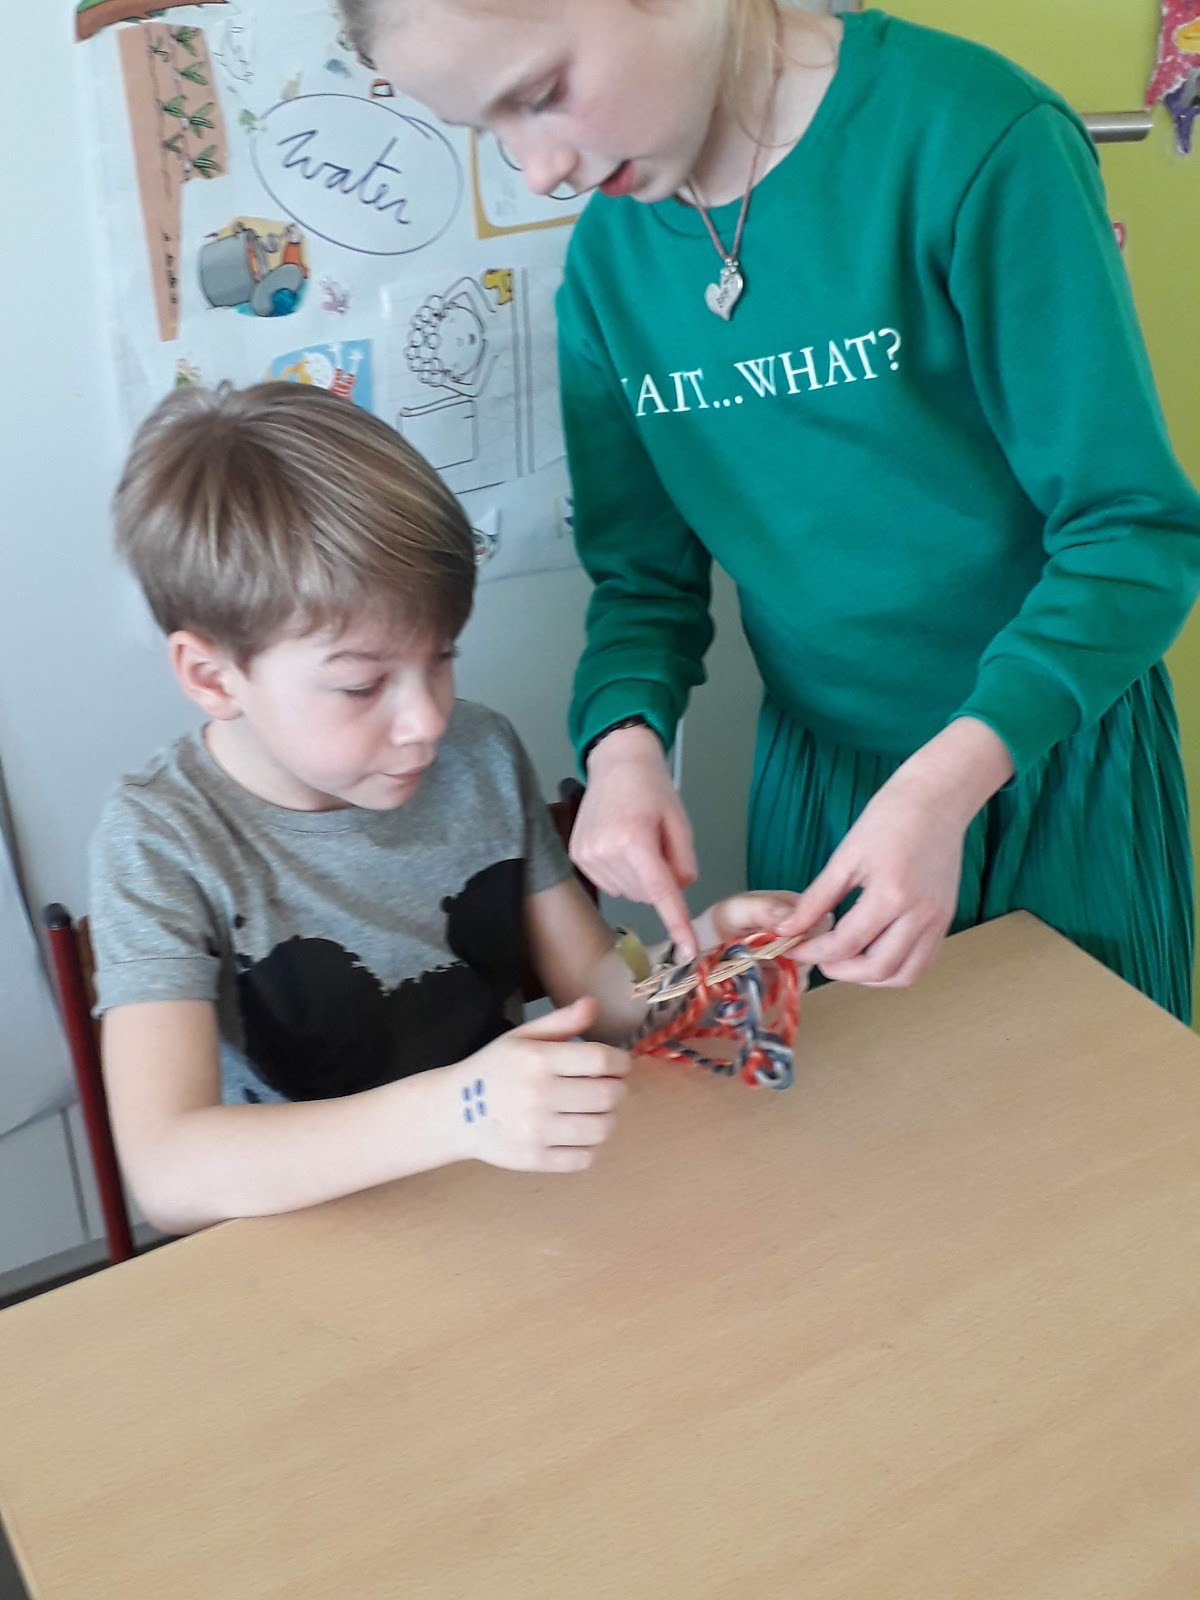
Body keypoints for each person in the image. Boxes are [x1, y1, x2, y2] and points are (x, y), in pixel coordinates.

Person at [342, 0, 1200, 1020]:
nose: (537, 168)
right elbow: (643, 580)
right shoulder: (611, 267)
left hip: (1050, 758)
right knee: (865, 1106)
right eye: (488, 129)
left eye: (541, 95)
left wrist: (940, 790)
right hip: (822, 777)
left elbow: (1132, 532)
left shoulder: (974, 138)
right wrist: (623, 745)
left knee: (1097, 1099)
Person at [90, 381, 801, 1236]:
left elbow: (600, 994)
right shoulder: (161, 839)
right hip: (315, 1245)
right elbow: (169, 1171)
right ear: (212, 676)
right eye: (363, 685)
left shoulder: (478, 753)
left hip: (511, 1212)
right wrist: (463, 1111)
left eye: (441, 659)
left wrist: (708, 954)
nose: (426, 720)